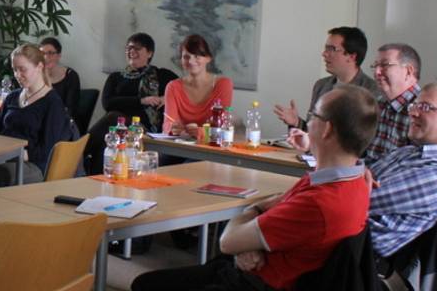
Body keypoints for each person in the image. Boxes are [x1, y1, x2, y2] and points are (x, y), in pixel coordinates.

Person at [132, 84, 378, 291]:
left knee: (145, 284)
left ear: (327, 129)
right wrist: (250, 244)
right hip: (266, 268)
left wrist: (255, 207)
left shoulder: (320, 201)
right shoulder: (357, 182)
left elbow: (228, 241)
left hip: (255, 284)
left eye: (313, 115)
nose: (308, 121)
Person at [366, 82, 437, 258]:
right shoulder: (410, 152)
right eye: (414, 105)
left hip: (356, 261)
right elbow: (356, 177)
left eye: (425, 107)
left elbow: (354, 200)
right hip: (341, 240)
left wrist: (360, 178)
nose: (412, 113)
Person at [0, 44, 78, 188]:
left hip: (32, 164)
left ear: (39, 67)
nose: (17, 75)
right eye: (15, 70)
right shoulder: (12, 97)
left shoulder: (52, 103)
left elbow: (48, 149)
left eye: (22, 69)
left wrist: (14, 154)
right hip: (4, 156)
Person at [85, 32, 178, 175]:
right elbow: (107, 103)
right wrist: (142, 101)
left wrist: (166, 98)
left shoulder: (162, 75)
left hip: (144, 129)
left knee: (113, 118)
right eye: (128, 48)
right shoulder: (116, 77)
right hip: (118, 127)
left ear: (149, 53)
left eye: (137, 48)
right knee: (110, 131)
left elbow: (182, 90)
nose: (131, 51)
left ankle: (79, 149)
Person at [274, 26, 381, 130]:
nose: (324, 54)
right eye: (326, 48)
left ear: (352, 56)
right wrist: (297, 122)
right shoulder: (321, 85)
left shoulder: (371, 91)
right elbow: (314, 133)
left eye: (331, 49)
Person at [162, 34, 233, 137]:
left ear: (208, 58)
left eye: (196, 56)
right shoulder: (172, 87)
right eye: (186, 57)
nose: (191, 61)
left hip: (211, 147)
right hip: (180, 145)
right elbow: (167, 125)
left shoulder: (223, 84)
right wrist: (172, 128)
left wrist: (201, 132)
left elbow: (223, 125)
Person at [363, 43, 422, 165]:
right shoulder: (377, 103)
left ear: (408, 71)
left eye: (385, 65)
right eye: (375, 66)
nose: (377, 72)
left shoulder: (424, 110)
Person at [39, 37, 80, 115]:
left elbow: (70, 110)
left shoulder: (71, 76)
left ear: (59, 55)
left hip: (62, 121)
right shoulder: (36, 74)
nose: (46, 57)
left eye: (50, 53)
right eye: (42, 54)